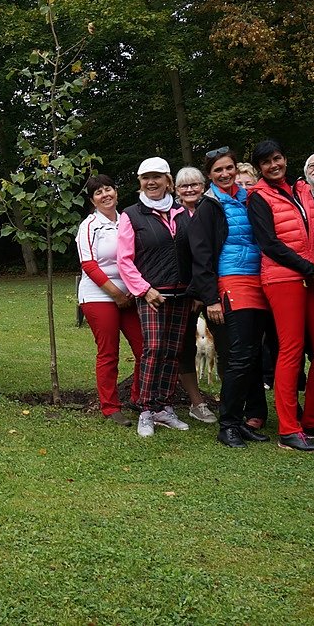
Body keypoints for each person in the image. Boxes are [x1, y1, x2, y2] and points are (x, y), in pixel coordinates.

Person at [246, 140, 314, 451]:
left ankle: (313, 419)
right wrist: (309, 269)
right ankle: (288, 428)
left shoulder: (303, 190)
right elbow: (269, 243)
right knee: (291, 350)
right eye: (266, 162)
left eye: (277, 158)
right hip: (282, 278)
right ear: (259, 168)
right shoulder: (258, 197)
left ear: (285, 158)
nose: (273, 165)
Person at [189, 147, 271, 448]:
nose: (225, 174)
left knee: (253, 354)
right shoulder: (208, 206)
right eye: (218, 170)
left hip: (257, 280)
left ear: (236, 169)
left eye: (229, 168)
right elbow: (201, 256)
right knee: (238, 356)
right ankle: (229, 425)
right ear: (209, 175)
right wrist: (211, 298)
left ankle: (249, 417)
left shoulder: (248, 198)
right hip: (230, 283)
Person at [116, 156, 192, 436]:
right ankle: (146, 409)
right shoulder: (131, 215)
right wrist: (144, 290)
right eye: (146, 178)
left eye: (157, 177)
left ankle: (165, 407)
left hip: (182, 292)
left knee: (173, 351)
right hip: (151, 293)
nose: (151, 182)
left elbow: (194, 251)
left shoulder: (183, 212)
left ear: (168, 180)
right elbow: (124, 259)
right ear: (140, 182)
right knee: (154, 349)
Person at [75, 174, 143, 424]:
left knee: (145, 349)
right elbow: (89, 265)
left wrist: (132, 291)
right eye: (98, 192)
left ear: (116, 191)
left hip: (130, 294)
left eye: (108, 189)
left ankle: (138, 397)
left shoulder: (127, 220)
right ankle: (111, 407)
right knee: (109, 352)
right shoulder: (89, 226)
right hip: (98, 295)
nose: (105, 195)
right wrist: (116, 294)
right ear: (92, 200)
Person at [173, 165, 216, 424]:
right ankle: (196, 402)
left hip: (215, 288)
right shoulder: (174, 216)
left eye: (195, 184)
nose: (190, 189)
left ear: (203, 186)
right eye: (184, 186)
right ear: (176, 190)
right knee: (185, 347)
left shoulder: (212, 210)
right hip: (185, 292)